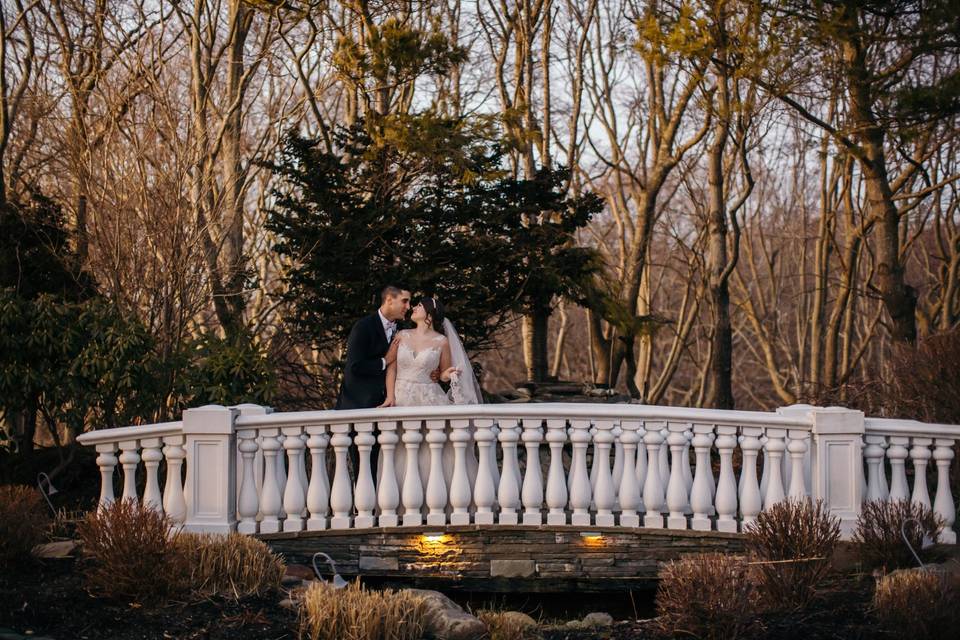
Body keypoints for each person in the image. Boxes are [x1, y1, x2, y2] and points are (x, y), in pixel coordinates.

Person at [380, 297, 483, 407]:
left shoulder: (442, 341)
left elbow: (443, 374)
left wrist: (447, 374)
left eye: (419, 305)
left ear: (430, 314)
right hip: (400, 397)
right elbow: (392, 369)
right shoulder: (401, 335)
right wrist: (390, 396)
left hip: (429, 399)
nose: (414, 307)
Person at [335, 285, 411, 409]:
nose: (408, 307)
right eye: (405, 301)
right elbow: (355, 366)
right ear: (389, 300)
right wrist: (385, 361)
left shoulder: (403, 330)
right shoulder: (363, 327)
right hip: (358, 406)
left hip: (389, 405)